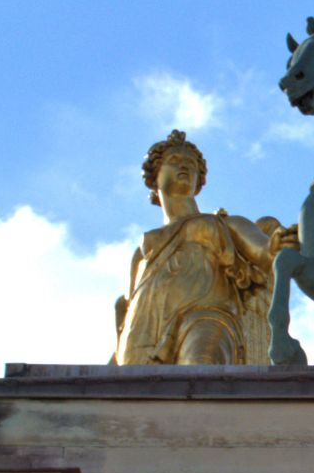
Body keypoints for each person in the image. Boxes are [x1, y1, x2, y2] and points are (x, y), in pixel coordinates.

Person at [113, 130, 296, 365]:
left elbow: (264, 252)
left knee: (201, 370)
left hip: (208, 316)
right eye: (174, 161)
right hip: (144, 333)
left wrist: (277, 244)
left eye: (191, 164)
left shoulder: (224, 225)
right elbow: (127, 311)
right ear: (153, 177)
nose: (185, 166)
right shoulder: (142, 252)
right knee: (136, 395)